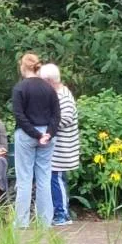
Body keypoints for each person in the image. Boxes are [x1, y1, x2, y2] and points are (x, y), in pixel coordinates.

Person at [12, 53, 61, 228]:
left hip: (27, 134)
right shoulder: (49, 88)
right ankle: (45, 221)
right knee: (44, 178)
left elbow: (19, 115)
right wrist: (48, 133)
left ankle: (22, 222)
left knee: (24, 178)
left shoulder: (20, 88)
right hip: (47, 134)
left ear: (23, 66)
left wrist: (35, 134)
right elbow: (57, 114)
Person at [40, 63, 80, 226]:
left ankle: (62, 214)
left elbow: (64, 119)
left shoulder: (63, 96)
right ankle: (58, 212)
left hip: (62, 148)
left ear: (49, 81)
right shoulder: (57, 94)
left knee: (56, 179)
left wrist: (46, 127)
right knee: (55, 179)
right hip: (57, 147)